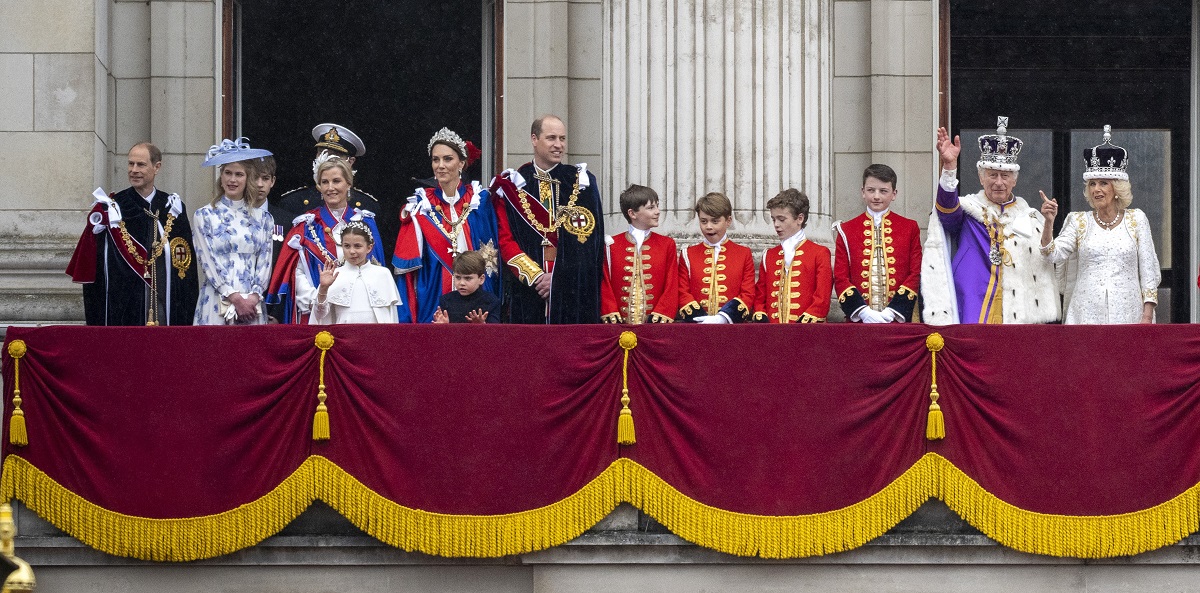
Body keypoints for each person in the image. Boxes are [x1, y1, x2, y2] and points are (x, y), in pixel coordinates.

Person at [393, 127, 542, 323]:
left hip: (476, 293)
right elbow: (409, 267)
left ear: (461, 163)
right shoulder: (421, 205)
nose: (440, 165)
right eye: (435, 159)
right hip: (435, 291)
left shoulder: (481, 201)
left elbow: (494, 251)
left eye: (448, 159)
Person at [923, 117, 1059, 324]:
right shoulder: (969, 210)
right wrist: (950, 168)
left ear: (1014, 180)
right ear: (981, 177)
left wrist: (1049, 222)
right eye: (992, 175)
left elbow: (1047, 259)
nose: (998, 182)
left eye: (1005, 176)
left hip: (1018, 307)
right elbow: (947, 212)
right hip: (973, 298)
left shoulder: (1030, 217)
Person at [67, 142, 199, 325]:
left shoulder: (172, 207)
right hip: (124, 308)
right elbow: (95, 265)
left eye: (141, 165)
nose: (134, 170)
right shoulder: (113, 208)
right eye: (131, 164)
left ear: (157, 167)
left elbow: (185, 264)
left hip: (165, 304)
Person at [489, 115, 605, 324]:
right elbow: (505, 240)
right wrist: (536, 277)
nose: (558, 145)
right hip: (528, 291)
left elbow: (590, 243)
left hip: (572, 291)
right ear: (534, 139)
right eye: (551, 138)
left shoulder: (582, 182)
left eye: (562, 138)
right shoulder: (511, 185)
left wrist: (559, 278)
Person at [1039, 126, 1160, 324]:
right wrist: (1048, 222)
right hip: (1085, 314)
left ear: (1117, 188)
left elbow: (1149, 272)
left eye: (1103, 183)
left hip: (1128, 314)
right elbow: (1051, 254)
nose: (1096, 189)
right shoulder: (1078, 221)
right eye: (1092, 184)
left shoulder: (1137, 219)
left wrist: (1147, 316)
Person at [267, 155, 386, 323]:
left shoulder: (366, 223)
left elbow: (376, 270)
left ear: (349, 183)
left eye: (336, 181)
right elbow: (297, 273)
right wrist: (318, 299)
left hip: (359, 314)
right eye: (325, 182)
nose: (330, 188)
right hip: (317, 313)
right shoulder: (306, 225)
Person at [192, 138, 276, 325]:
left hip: (252, 303)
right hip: (217, 299)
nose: (232, 179)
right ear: (220, 177)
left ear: (248, 179)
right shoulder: (204, 215)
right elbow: (207, 261)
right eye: (227, 173)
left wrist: (253, 296)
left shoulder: (263, 218)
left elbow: (265, 261)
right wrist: (234, 297)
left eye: (239, 174)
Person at [832, 164, 922, 323]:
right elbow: (840, 277)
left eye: (883, 191)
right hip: (859, 322)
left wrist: (894, 311)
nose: (876, 196)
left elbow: (915, 272)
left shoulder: (909, 228)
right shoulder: (846, 230)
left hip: (897, 320)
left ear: (894, 194)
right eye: (871, 190)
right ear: (863, 192)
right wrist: (862, 311)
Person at [599, 185, 681, 324]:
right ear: (632, 213)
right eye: (651, 208)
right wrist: (609, 311)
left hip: (655, 326)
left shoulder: (667, 244)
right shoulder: (611, 245)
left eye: (657, 206)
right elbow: (604, 283)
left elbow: (671, 283)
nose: (657, 212)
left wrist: (663, 312)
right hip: (618, 326)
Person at [752, 189, 832, 323]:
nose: (776, 225)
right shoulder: (769, 255)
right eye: (774, 219)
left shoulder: (819, 253)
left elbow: (822, 297)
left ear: (799, 218)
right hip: (773, 334)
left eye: (782, 219)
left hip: (808, 333)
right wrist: (760, 313)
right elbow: (760, 295)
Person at [677, 192, 755, 323]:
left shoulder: (743, 254)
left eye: (715, 221)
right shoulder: (687, 254)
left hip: (732, 329)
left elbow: (748, 293)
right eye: (703, 221)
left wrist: (723, 318)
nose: (708, 226)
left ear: (728, 221)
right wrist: (700, 318)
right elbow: (682, 291)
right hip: (695, 327)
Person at [311, 221, 401, 324]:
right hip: (344, 337)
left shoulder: (383, 274)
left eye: (357, 246)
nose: (352, 251)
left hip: (376, 337)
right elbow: (319, 316)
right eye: (347, 246)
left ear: (369, 247)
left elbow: (392, 317)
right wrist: (323, 288)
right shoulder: (334, 275)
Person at [432, 250, 501, 324]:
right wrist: (443, 326)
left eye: (468, 278)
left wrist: (482, 325)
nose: (462, 283)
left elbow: (495, 332)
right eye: (458, 277)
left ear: (481, 279)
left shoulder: (491, 301)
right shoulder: (446, 300)